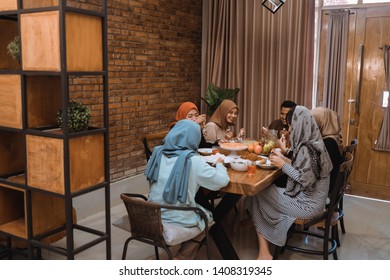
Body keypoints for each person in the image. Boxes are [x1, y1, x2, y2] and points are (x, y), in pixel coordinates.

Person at [246, 105, 333, 260]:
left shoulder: (308, 148)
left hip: (307, 206)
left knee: (255, 194)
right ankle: (265, 249)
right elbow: (306, 170)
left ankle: (267, 247)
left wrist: (283, 165)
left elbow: (306, 181)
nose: (290, 129)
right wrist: (285, 157)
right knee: (255, 197)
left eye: (292, 125)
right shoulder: (316, 142)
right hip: (317, 201)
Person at [144, 119, 230, 260]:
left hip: (151, 214)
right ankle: (182, 257)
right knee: (208, 217)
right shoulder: (192, 161)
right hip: (174, 217)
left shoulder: (157, 154)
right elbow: (221, 181)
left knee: (197, 207)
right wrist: (219, 164)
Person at [311, 107, 343, 193]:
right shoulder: (335, 138)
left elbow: (313, 168)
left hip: (324, 190)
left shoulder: (329, 143)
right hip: (330, 184)